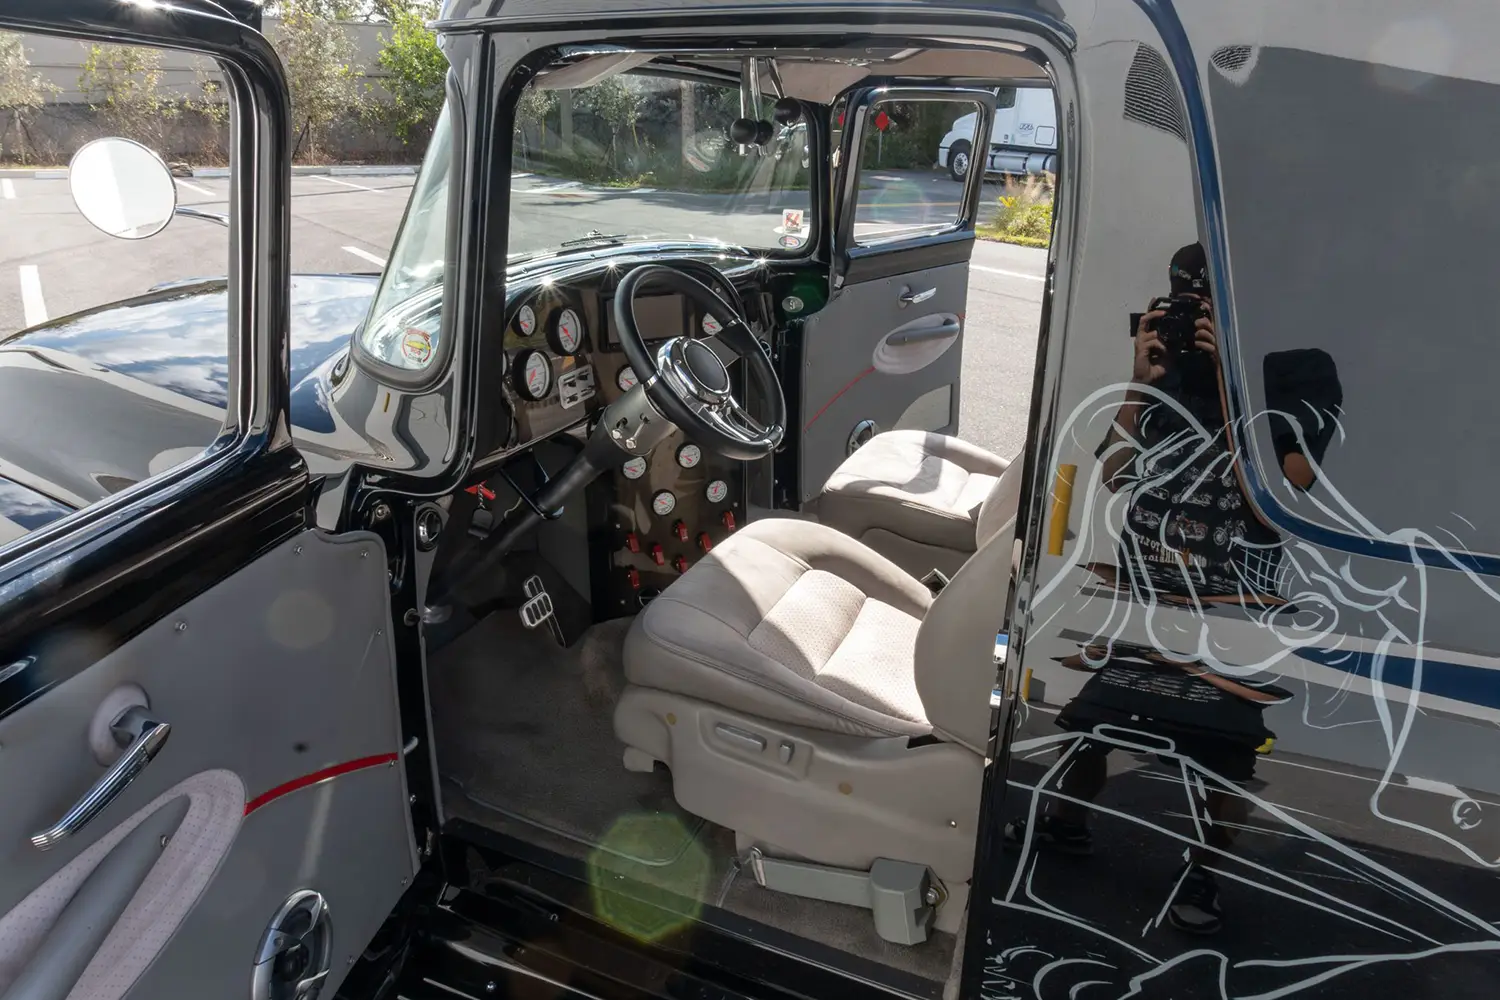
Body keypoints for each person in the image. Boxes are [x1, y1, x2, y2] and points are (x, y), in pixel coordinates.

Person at [1004, 242, 1337, 934]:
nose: (1195, 316)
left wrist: (1235, 381)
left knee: (1220, 757)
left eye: (1209, 302)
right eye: (1185, 298)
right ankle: (1064, 824)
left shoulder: (1301, 372)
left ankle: (1206, 874)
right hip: (1145, 591)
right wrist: (1139, 381)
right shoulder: (1170, 370)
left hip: (1231, 606)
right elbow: (1118, 474)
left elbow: (1291, 494)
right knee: (1093, 724)